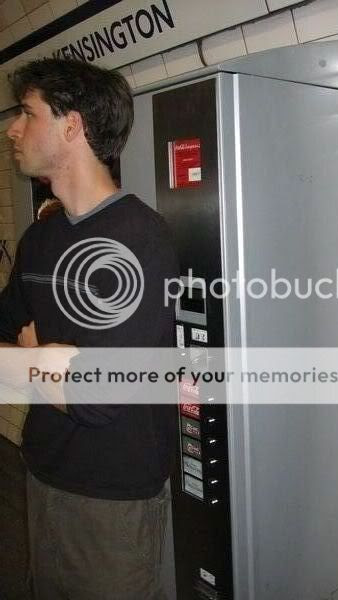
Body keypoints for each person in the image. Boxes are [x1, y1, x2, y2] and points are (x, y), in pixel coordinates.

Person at [0, 57, 178, 599]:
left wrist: (30, 359)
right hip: (41, 472)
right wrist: (44, 359)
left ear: (71, 125)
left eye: (27, 113)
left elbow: (97, 396)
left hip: (112, 501)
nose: (13, 129)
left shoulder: (138, 239)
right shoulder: (40, 240)